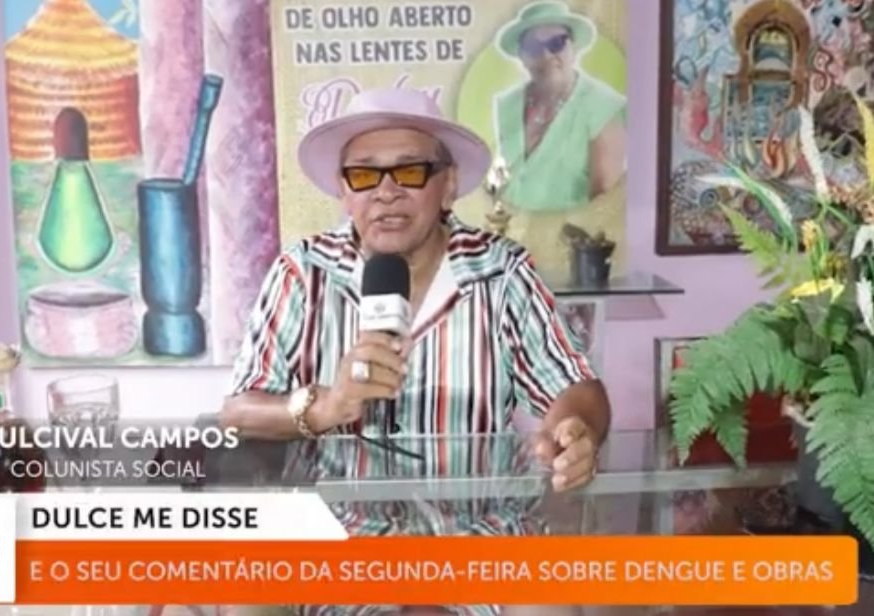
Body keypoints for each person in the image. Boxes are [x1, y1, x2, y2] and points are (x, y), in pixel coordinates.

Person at [216, 87, 611, 615]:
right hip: (338, 536)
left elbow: (575, 386)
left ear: (448, 186)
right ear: (344, 191)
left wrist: (574, 431)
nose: (385, 192)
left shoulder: (502, 270)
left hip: (479, 535)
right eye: (364, 175)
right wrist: (327, 405)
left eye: (409, 171)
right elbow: (239, 411)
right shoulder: (302, 272)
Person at [493, 1, 626, 211]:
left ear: (574, 48)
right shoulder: (507, 104)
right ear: (522, 56)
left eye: (557, 43)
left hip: (571, 230)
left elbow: (604, 200)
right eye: (534, 47)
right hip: (509, 227)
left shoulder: (605, 106)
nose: (546, 55)